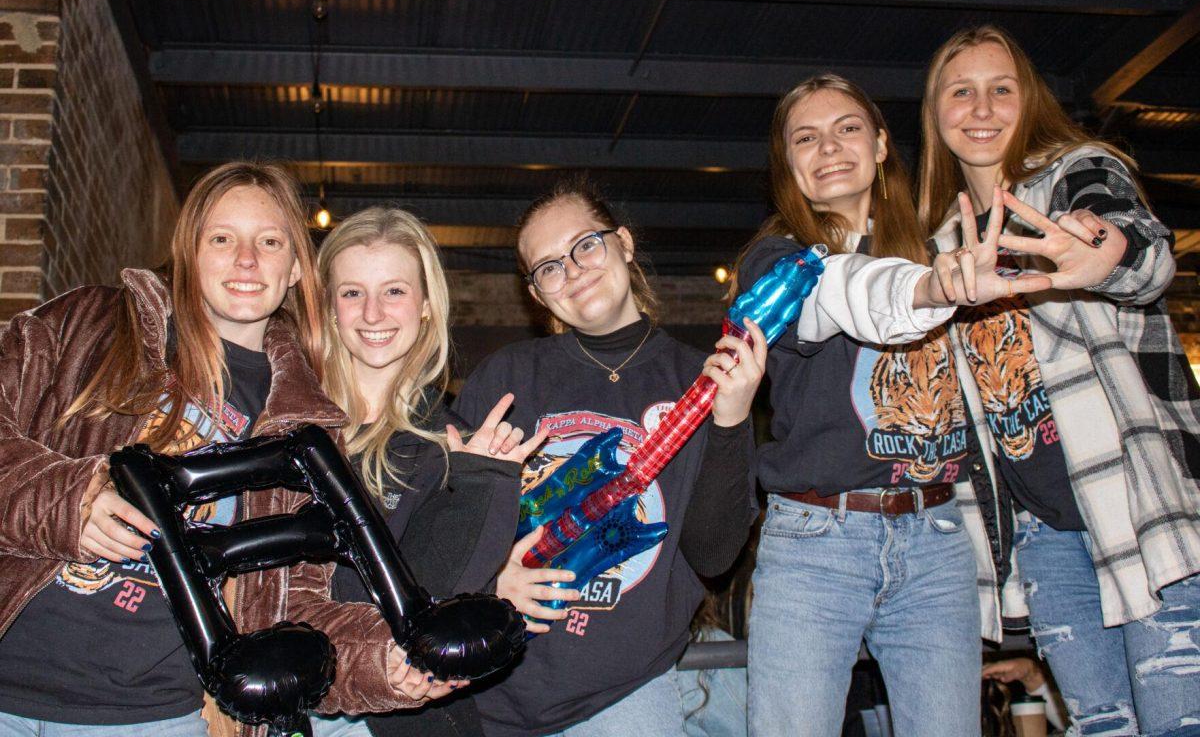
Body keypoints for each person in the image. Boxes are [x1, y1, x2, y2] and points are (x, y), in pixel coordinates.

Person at [0, 162, 435, 735]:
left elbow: (288, 611)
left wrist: (386, 664)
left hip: (151, 716)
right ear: (188, 251)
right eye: (222, 238)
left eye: (270, 242)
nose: (246, 260)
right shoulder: (91, 325)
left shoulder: (303, 426)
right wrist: (68, 501)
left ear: (298, 267)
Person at [739, 74, 1048, 737]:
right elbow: (840, 293)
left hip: (936, 538)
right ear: (787, 164)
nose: (829, 147)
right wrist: (934, 286)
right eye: (807, 137)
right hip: (815, 543)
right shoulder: (776, 261)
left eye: (847, 128)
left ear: (881, 144)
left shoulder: (942, 247)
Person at [919, 24, 1200, 736]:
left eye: (1001, 89)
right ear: (936, 112)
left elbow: (1133, 241)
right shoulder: (942, 243)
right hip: (1045, 535)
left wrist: (1107, 253)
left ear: (1029, 100)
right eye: (962, 91)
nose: (981, 108)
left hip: (1140, 511)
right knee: (1100, 728)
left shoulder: (1075, 172)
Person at [452, 178, 764, 737]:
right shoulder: (507, 377)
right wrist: (494, 574)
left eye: (585, 245)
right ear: (536, 292)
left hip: (624, 699)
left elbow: (714, 556)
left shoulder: (705, 380)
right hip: (493, 695)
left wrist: (733, 416)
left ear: (623, 242)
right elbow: (446, 529)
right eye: (547, 266)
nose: (571, 271)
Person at [308, 207, 543, 737]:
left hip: (397, 718)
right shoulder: (287, 421)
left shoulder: (451, 445)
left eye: (394, 291)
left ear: (427, 308)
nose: (372, 313)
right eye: (351, 293)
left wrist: (486, 488)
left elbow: (432, 614)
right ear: (327, 308)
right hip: (286, 703)